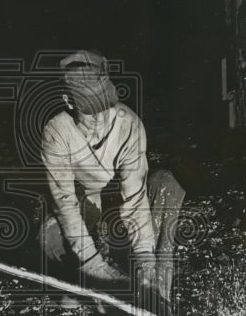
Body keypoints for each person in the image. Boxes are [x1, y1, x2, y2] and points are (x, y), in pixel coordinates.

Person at [39, 50, 185, 302]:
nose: (100, 119)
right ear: (69, 102)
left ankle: (156, 293)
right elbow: (65, 203)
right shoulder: (57, 132)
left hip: (125, 207)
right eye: (90, 111)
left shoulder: (129, 125)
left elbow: (135, 198)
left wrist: (144, 259)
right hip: (88, 205)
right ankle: (94, 284)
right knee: (49, 237)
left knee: (166, 184)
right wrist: (93, 264)